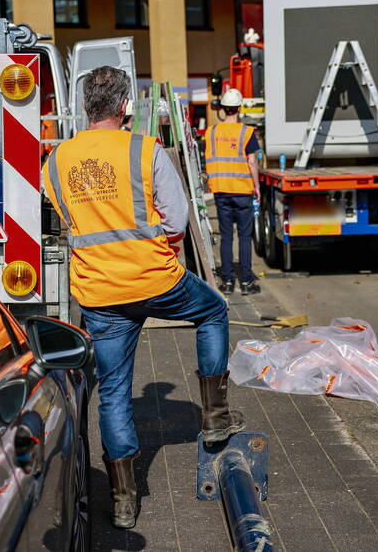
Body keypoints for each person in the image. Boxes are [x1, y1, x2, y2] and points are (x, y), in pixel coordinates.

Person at [42, 66, 245, 530]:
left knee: (113, 392)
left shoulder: (55, 160)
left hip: (98, 292)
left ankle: (123, 501)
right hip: (155, 279)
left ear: (86, 107)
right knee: (213, 310)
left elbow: (63, 221)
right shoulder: (143, 149)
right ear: (125, 106)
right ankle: (215, 415)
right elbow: (176, 217)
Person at [204, 88, 261, 296]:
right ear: (239, 108)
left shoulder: (211, 132)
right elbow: (252, 162)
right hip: (242, 191)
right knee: (245, 237)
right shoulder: (246, 132)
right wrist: (256, 187)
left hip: (221, 191)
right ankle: (246, 282)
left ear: (222, 109)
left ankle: (227, 282)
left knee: (226, 237)